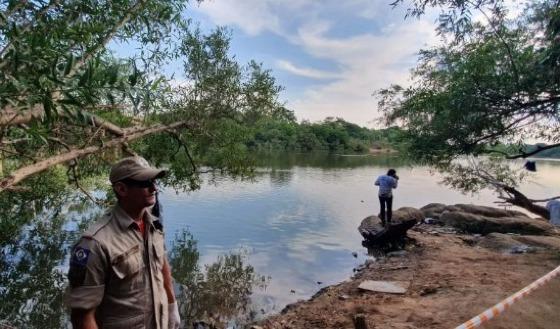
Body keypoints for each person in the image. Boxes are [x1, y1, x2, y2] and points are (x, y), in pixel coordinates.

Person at [65, 156, 181, 329]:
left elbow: (161, 262)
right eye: (145, 183)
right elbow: (82, 317)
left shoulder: (154, 224)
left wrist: (172, 305)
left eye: (154, 181)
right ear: (122, 189)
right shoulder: (95, 244)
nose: (154, 188)